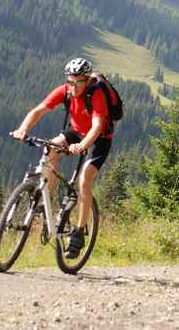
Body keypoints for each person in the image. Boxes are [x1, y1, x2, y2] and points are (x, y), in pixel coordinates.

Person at [10, 58, 113, 258]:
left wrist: (83, 146)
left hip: (99, 139)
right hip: (75, 132)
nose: (72, 86)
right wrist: (22, 129)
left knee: (85, 180)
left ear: (87, 80)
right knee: (49, 150)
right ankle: (44, 200)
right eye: (70, 81)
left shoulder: (96, 93)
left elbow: (97, 125)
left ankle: (79, 232)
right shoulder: (65, 90)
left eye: (77, 82)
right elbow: (39, 110)